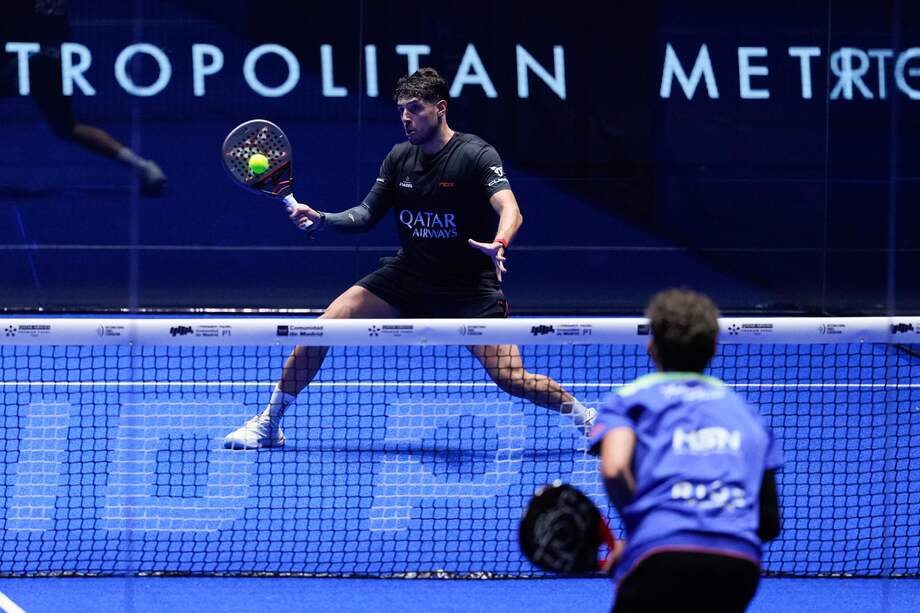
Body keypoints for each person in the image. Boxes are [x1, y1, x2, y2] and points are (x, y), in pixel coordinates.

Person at [224, 67, 594, 449]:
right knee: (324, 326)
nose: (406, 118)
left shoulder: (475, 155)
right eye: (401, 109)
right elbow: (366, 214)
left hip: (467, 289)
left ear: (441, 109)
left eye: (415, 109)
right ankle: (269, 423)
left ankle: (588, 419)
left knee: (511, 377)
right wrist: (323, 218)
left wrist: (500, 242)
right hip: (409, 276)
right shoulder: (399, 158)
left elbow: (511, 209)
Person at [589, 289, 782, 612]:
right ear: (713, 348)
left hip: (660, 553)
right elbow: (768, 522)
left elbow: (614, 469)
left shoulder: (630, 399)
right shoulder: (747, 413)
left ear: (653, 347)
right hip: (738, 564)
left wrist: (641, 537)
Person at [1, 1, 166, 195]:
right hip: (53, 56)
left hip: (18, 57)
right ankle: (144, 167)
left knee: (67, 128)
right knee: (68, 128)